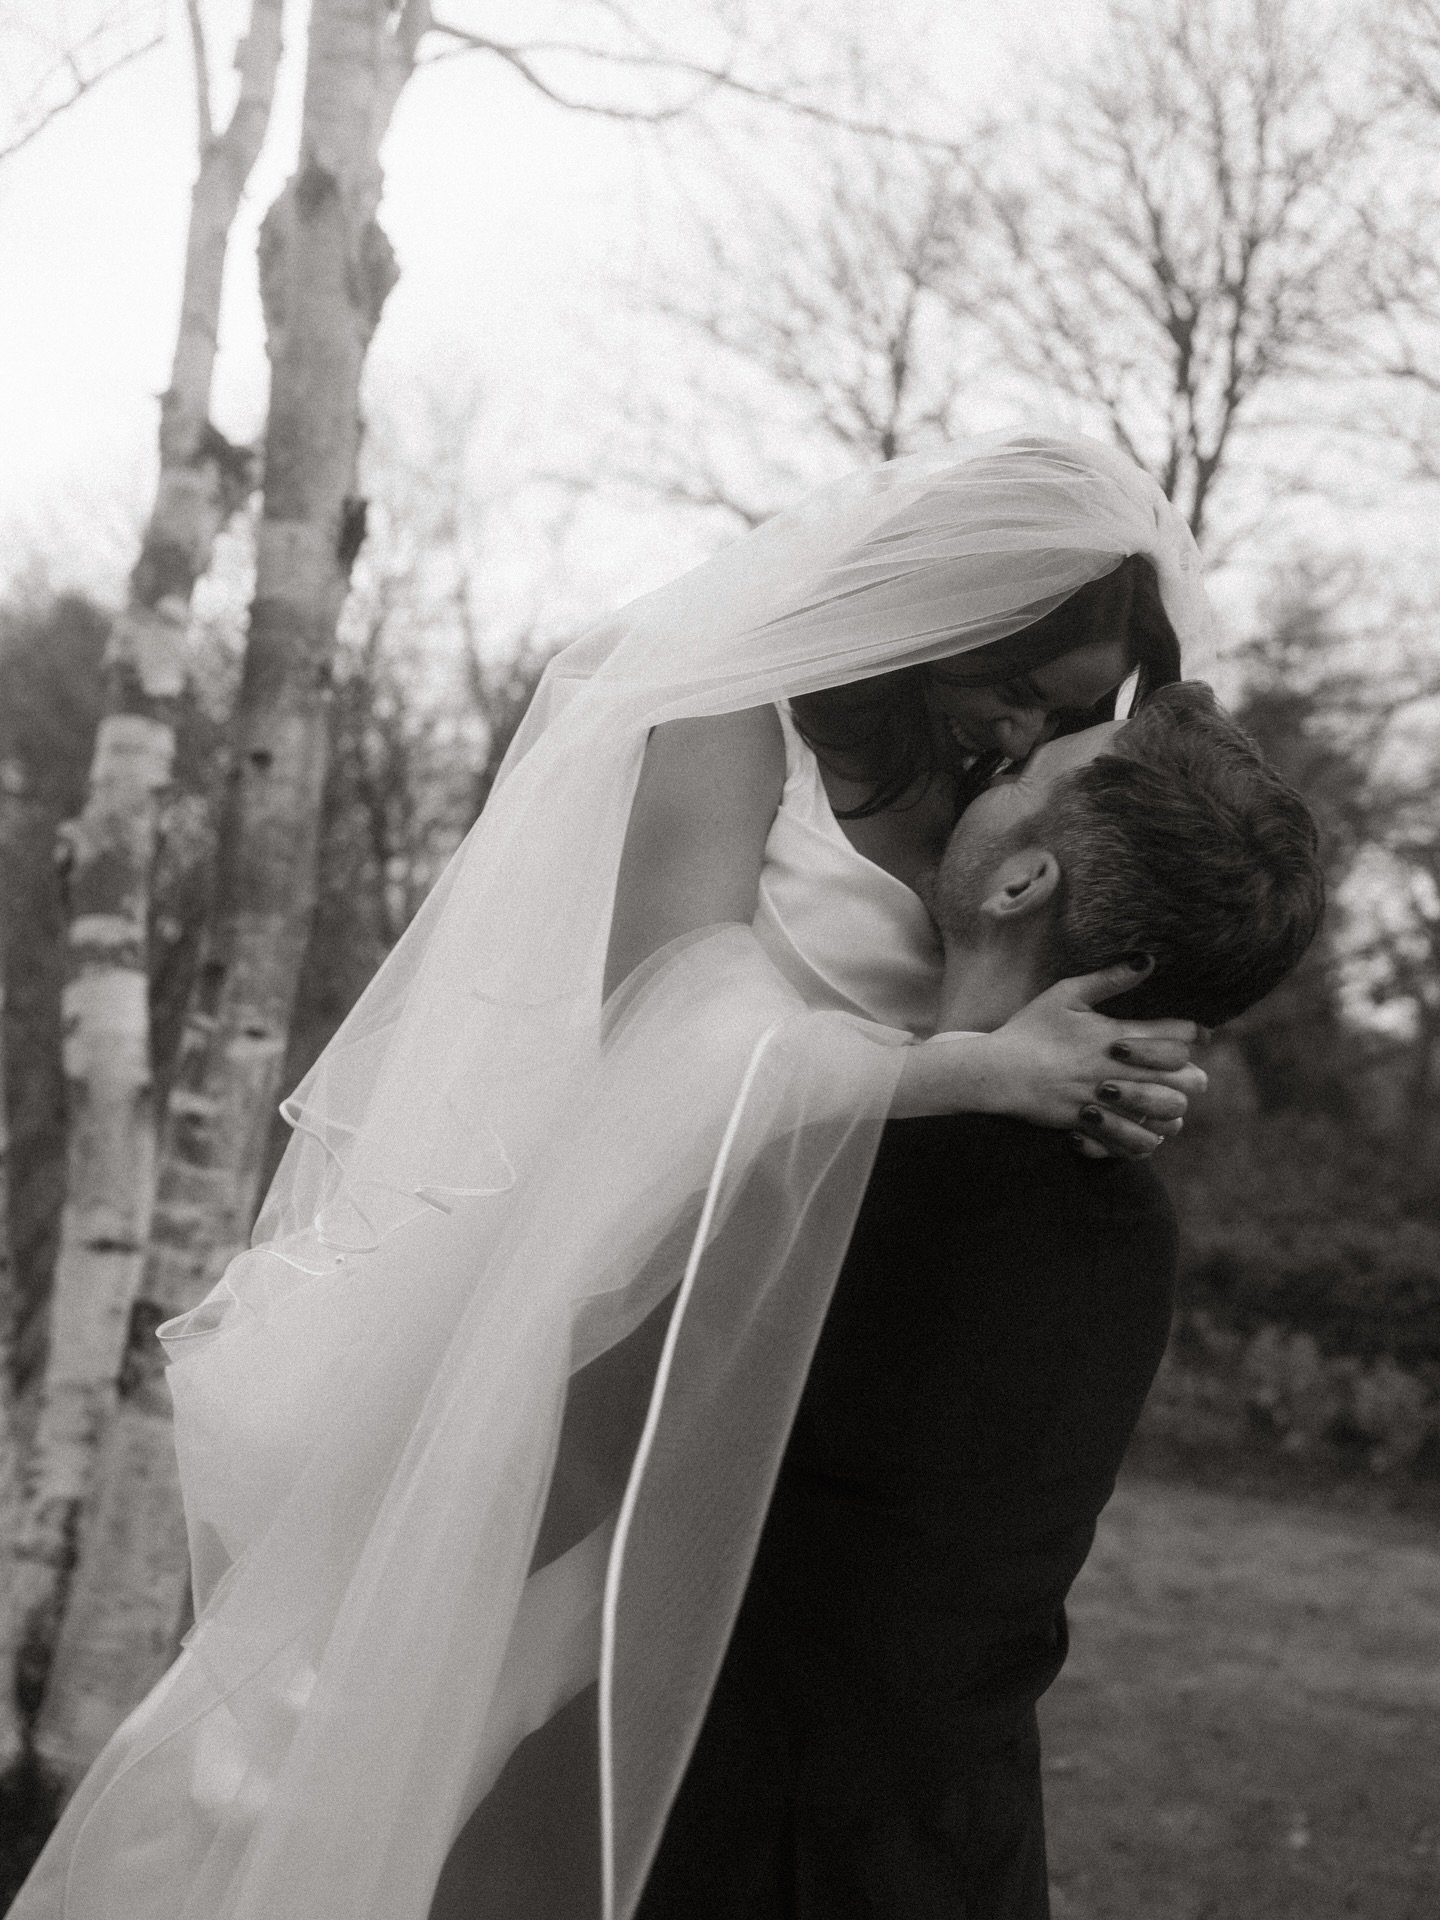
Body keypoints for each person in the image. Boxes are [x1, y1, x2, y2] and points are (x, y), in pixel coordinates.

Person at [12, 436, 1219, 1920]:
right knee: (450, 1722)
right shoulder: (730, 721)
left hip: (817, 1332)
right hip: (621, 1283)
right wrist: (963, 1071)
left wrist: (1105, 1055)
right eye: (1023, 683)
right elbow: (675, 1023)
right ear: (954, 607)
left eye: (1061, 710)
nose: (1022, 726)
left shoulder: (985, 813)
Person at [633, 684, 1324, 1920]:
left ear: (1021, 884)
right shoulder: (1122, 1214)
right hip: (962, 1859)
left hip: (743, 1861)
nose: (984, 768)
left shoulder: (847, 1189)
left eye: (1017, 777)